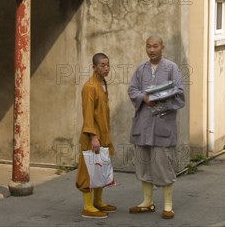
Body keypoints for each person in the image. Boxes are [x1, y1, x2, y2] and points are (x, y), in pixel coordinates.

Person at [128, 35, 185, 220]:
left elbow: (179, 95)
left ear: (162, 47)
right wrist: (144, 98)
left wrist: (159, 102)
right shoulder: (141, 69)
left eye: (155, 46)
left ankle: (168, 205)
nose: (151, 50)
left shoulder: (172, 68)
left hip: (162, 126)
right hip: (143, 125)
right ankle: (147, 202)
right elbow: (132, 90)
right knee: (143, 164)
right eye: (148, 46)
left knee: (164, 165)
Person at [75, 53, 116, 219]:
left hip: (103, 134)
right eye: (102, 65)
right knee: (87, 172)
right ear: (94, 67)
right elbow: (88, 114)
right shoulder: (89, 87)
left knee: (101, 169)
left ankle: (98, 201)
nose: (106, 68)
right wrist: (93, 136)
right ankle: (87, 206)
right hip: (92, 137)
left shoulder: (103, 83)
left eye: (107, 64)